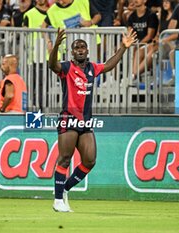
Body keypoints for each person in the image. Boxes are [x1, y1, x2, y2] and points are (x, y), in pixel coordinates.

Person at [49, 28, 137, 212]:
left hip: (86, 121)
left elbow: (109, 65)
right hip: (69, 118)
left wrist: (123, 47)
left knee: (90, 160)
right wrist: (56, 46)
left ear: (87, 51)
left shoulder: (91, 68)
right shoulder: (66, 67)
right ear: (72, 52)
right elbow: (52, 65)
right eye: (76, 47)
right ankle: (57, 201)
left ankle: (64, 189)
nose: (80, 49)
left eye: (83, 47)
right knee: (65, 159)